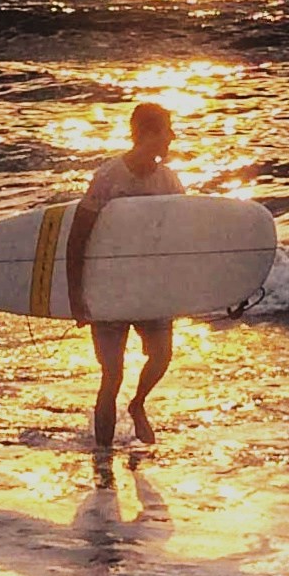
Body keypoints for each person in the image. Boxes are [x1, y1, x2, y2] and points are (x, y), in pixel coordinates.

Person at [67, 99, 183, 454]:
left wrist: (191, 288)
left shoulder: (169, 181)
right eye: (166, 131)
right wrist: (77, 297)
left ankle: (138, 403)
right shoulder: (107, 178)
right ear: (147, 134)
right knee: (111, 375)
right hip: (110, 289)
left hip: (149, 288)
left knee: (162, 356)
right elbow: (77, 239)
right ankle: (102, 460)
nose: (172, 138)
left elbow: (185, 238)